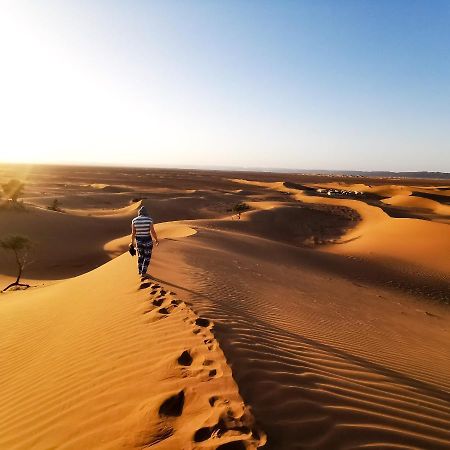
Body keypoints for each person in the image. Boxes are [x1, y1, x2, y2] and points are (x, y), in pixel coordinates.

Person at [130, 206, 159, 278]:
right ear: (146, 213)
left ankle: (140, 271)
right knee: (147, 256)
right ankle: (143, 272)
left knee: (140, 256)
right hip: (147, 240)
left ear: (139, 213)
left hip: (138, 240)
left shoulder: (134, 220)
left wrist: (132, 242)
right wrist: (156, 239)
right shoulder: (149, 220)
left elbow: (133, 233)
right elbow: (152, 231)